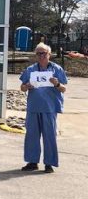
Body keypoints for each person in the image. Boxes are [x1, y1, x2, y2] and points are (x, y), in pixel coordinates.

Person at [19, 42, 68, 173]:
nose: (41, 56)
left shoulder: (57, 69)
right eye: (38, 53)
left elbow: (64, 88)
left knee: (50, 136)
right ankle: (32, 162)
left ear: (49, 54)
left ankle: (49, 163)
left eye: (43, 53)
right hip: (34, 107)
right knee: (32, 135)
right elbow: (22, 87)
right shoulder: (30, 70)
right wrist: (27, 86)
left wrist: (57, 84)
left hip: (49, 108)